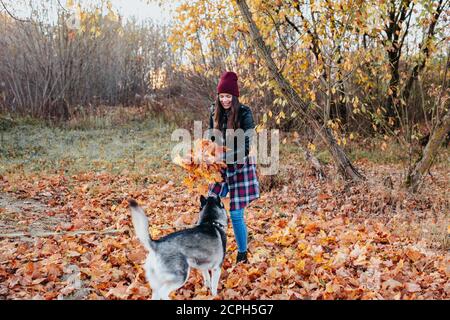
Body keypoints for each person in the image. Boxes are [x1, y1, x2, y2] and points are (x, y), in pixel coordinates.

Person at [206, 71, 260, 264]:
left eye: (228, 96)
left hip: (239, 166)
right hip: (219, 166)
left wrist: (223, 156)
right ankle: (211, 250)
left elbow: (245, 146)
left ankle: (242, 253)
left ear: (235, 96)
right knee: (209, 206)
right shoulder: (214, 110)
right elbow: (211, 137)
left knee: (236, 213)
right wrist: (207, 153)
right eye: (222, 96)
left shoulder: (245, 113)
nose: (225, 100)